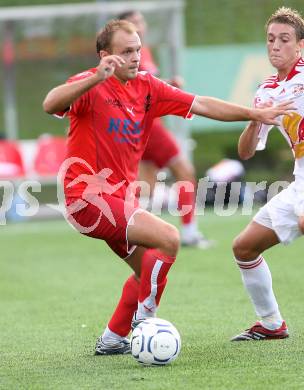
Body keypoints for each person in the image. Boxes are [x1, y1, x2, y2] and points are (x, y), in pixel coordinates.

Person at [43, 19, 291, 355]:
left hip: (119, 199)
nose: (135, 57)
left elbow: (201, 104)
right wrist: (94, 77)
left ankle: (112, 339)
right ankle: (146, 321)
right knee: (169, 238)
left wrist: (253, 113)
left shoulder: (148, 87)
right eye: (126, 52)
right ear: (105, 55)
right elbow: (50, 103)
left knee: (147, 269)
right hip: (86, 200)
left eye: (138, 50)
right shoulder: (89, 85)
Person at [231, 7, 304, 341]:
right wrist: (255, 117)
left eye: (284, 40)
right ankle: (272, 324)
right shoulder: (266, 92)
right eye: (271, 39)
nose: (275, 45)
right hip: (300, 180)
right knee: (244, 247)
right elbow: (245, 152)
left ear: (300, 46)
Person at [118, 10, 213, 248]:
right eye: (134, 22)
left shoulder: (144, 51)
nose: (141, 25)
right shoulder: (125, 55)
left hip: (145, 123)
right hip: (142, 125)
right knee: (184, 170)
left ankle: (129, 233)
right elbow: (132, 91)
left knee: (145, 185)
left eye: (141, 21)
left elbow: (145, 89)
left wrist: (168, 85)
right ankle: (189, 232)